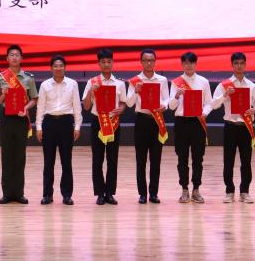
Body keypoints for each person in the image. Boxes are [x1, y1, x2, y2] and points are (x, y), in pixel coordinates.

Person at [211, 52, 255, 203]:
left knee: (246, 161)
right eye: (236, 63)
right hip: (230, 127)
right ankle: (229, 191)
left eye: (241, 63)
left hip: (245, 127)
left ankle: (245, 191)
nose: (239, 66)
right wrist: (225, 95)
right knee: (228, 161)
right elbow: (214, 105)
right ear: (232, 65)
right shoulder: (224, 85)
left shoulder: (252, 86)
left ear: (245, 65)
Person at [0, 44, 38, 205]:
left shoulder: (28, 78)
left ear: (21, 58)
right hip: (7, 119)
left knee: (19, 156)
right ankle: (6, 193)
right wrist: (3, 95)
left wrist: (26, 108)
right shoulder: (0, 78)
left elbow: (34, 99)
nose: (14, 57)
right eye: (11, 55)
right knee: (7, 156)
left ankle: (19, 193)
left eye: (17, 55)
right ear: (7, 58)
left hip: (21, 118)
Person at [81, 48, 126, 205]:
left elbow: (123, 103)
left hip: (113, 122)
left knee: (112, 159)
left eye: (109, 61)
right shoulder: (92, 82)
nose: (106, 64)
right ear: (99, 64)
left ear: (113, 63)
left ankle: (110, 193)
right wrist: (90, 92)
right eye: (103, 62)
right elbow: (86, 106)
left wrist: (121, 109)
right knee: (97, 158)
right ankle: (100, 193)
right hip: (98, 122)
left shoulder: (120, 83)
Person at [36, 55, 82, 205]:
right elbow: (40, 107)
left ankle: (67, 195)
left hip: (66, 122)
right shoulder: (45, 85)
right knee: (48, 162)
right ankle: (47, 195)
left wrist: (77, 126)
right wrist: (38, 127)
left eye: (61, 65)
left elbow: (77, 106)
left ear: (65, 67)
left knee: (66, 161)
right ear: (51, 68)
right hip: (49, 123)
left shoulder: (73, 84)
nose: (58, 68)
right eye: (55, 66)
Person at [125, 48, 170, 203]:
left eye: (151, 60)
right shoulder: (135, 80)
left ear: (155, 62)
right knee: (141, 159)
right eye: (145, 60)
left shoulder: (162, 80)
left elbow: (166, 99)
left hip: (156, 120)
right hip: (141, 121)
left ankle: (154, 193)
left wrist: (164, 106)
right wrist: (135, 91)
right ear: (141, 62)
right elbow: (129, 103)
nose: (149, 63)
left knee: (156, 159)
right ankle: (142, 193)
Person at [167, 52, 212, 204]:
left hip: (197, 122)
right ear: (182, 64)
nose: (189, 65)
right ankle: (184, 189)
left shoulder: (203, 82)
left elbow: (209, 103)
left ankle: (196, 189)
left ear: (196, 64)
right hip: (181, 123)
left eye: (191, 62)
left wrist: (204, 113)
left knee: (198, 157)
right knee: (182, 157)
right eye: (186, 63)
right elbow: (171, 106)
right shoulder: (176, 82)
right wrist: (176, 96)